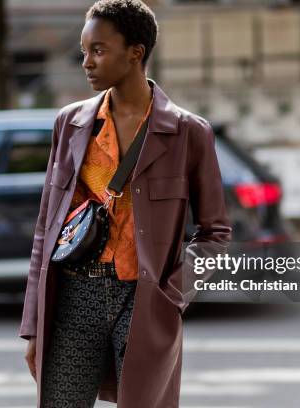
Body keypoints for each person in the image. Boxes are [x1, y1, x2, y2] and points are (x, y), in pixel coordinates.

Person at [19, 1, 232, 407]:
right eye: (84, 51)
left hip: (144, 301)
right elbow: (46, 228)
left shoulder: (188, 132)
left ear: (136, 52)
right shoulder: (71, 123)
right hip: (72, 295)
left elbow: (215, 232)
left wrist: (173, 295)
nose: (87, 62)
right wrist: (33, 325)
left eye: (98, 50)